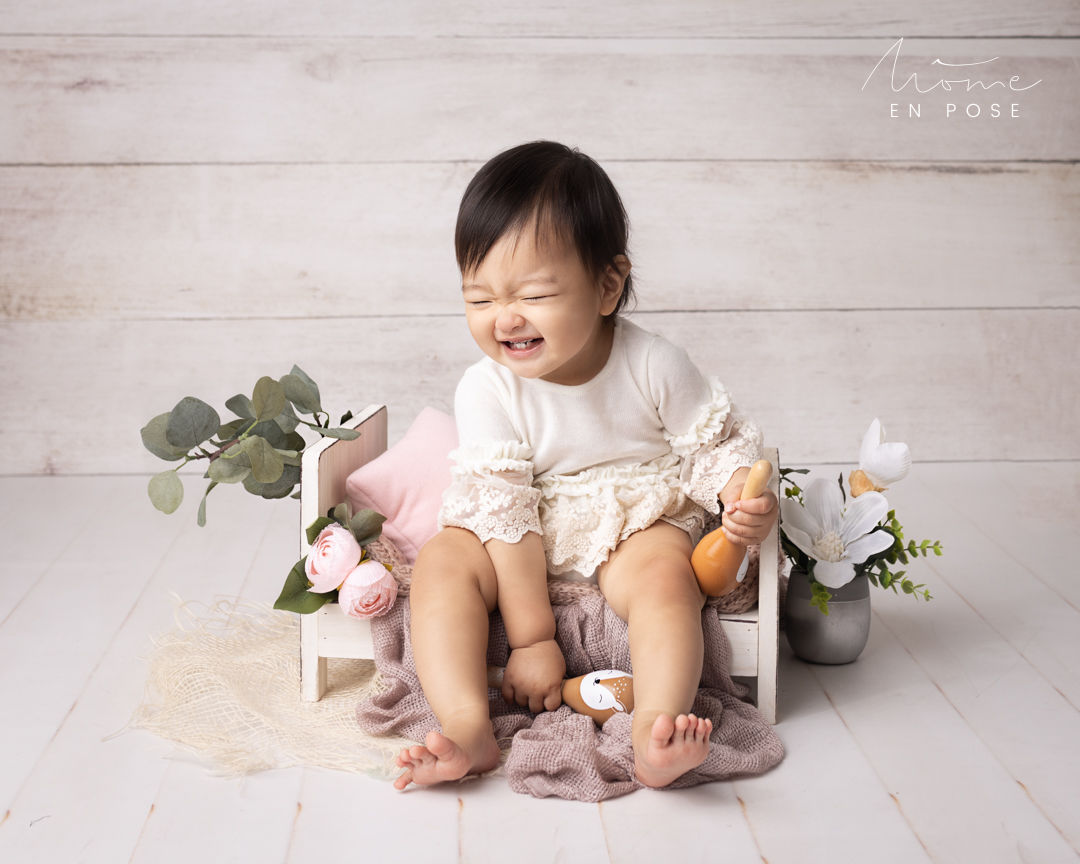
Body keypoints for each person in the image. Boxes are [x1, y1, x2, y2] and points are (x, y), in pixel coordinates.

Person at [393, 141, 778, 791]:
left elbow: (714, 444)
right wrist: (532, 640)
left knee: (665, 576)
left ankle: (655, 731)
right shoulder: (486, 389)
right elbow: (506, 517)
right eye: (480, 299)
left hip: (628, 521)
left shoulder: (653, 363)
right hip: (520, 535)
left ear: (607, 284)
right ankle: (465, 724)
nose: (505, 318)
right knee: (441, 561)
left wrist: (739, 490)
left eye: (535, 294)